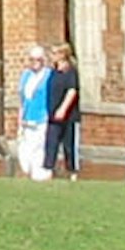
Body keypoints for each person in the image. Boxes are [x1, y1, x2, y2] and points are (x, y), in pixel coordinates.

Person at [13, 45, 53, 179]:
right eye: (32, 59)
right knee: (24, 147)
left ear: (43, 60)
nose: (35, 62)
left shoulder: (48, 75)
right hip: (26, 117)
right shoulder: (26, 75)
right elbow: (22, 99)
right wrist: (20, 117)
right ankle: (27, 171)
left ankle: (37, 172)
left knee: (38, 146)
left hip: (41, 117)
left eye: (38, 59)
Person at [46, 47, 85, 177]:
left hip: (69, 117)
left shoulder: (71, 72)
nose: (51, 56)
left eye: (54, 53)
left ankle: (72, 171)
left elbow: (72, 91)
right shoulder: (53, 72)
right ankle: (49, 169)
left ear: (62, 55)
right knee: (51, 143)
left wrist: (63, 109)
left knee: (69, 145)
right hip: (53, 116)